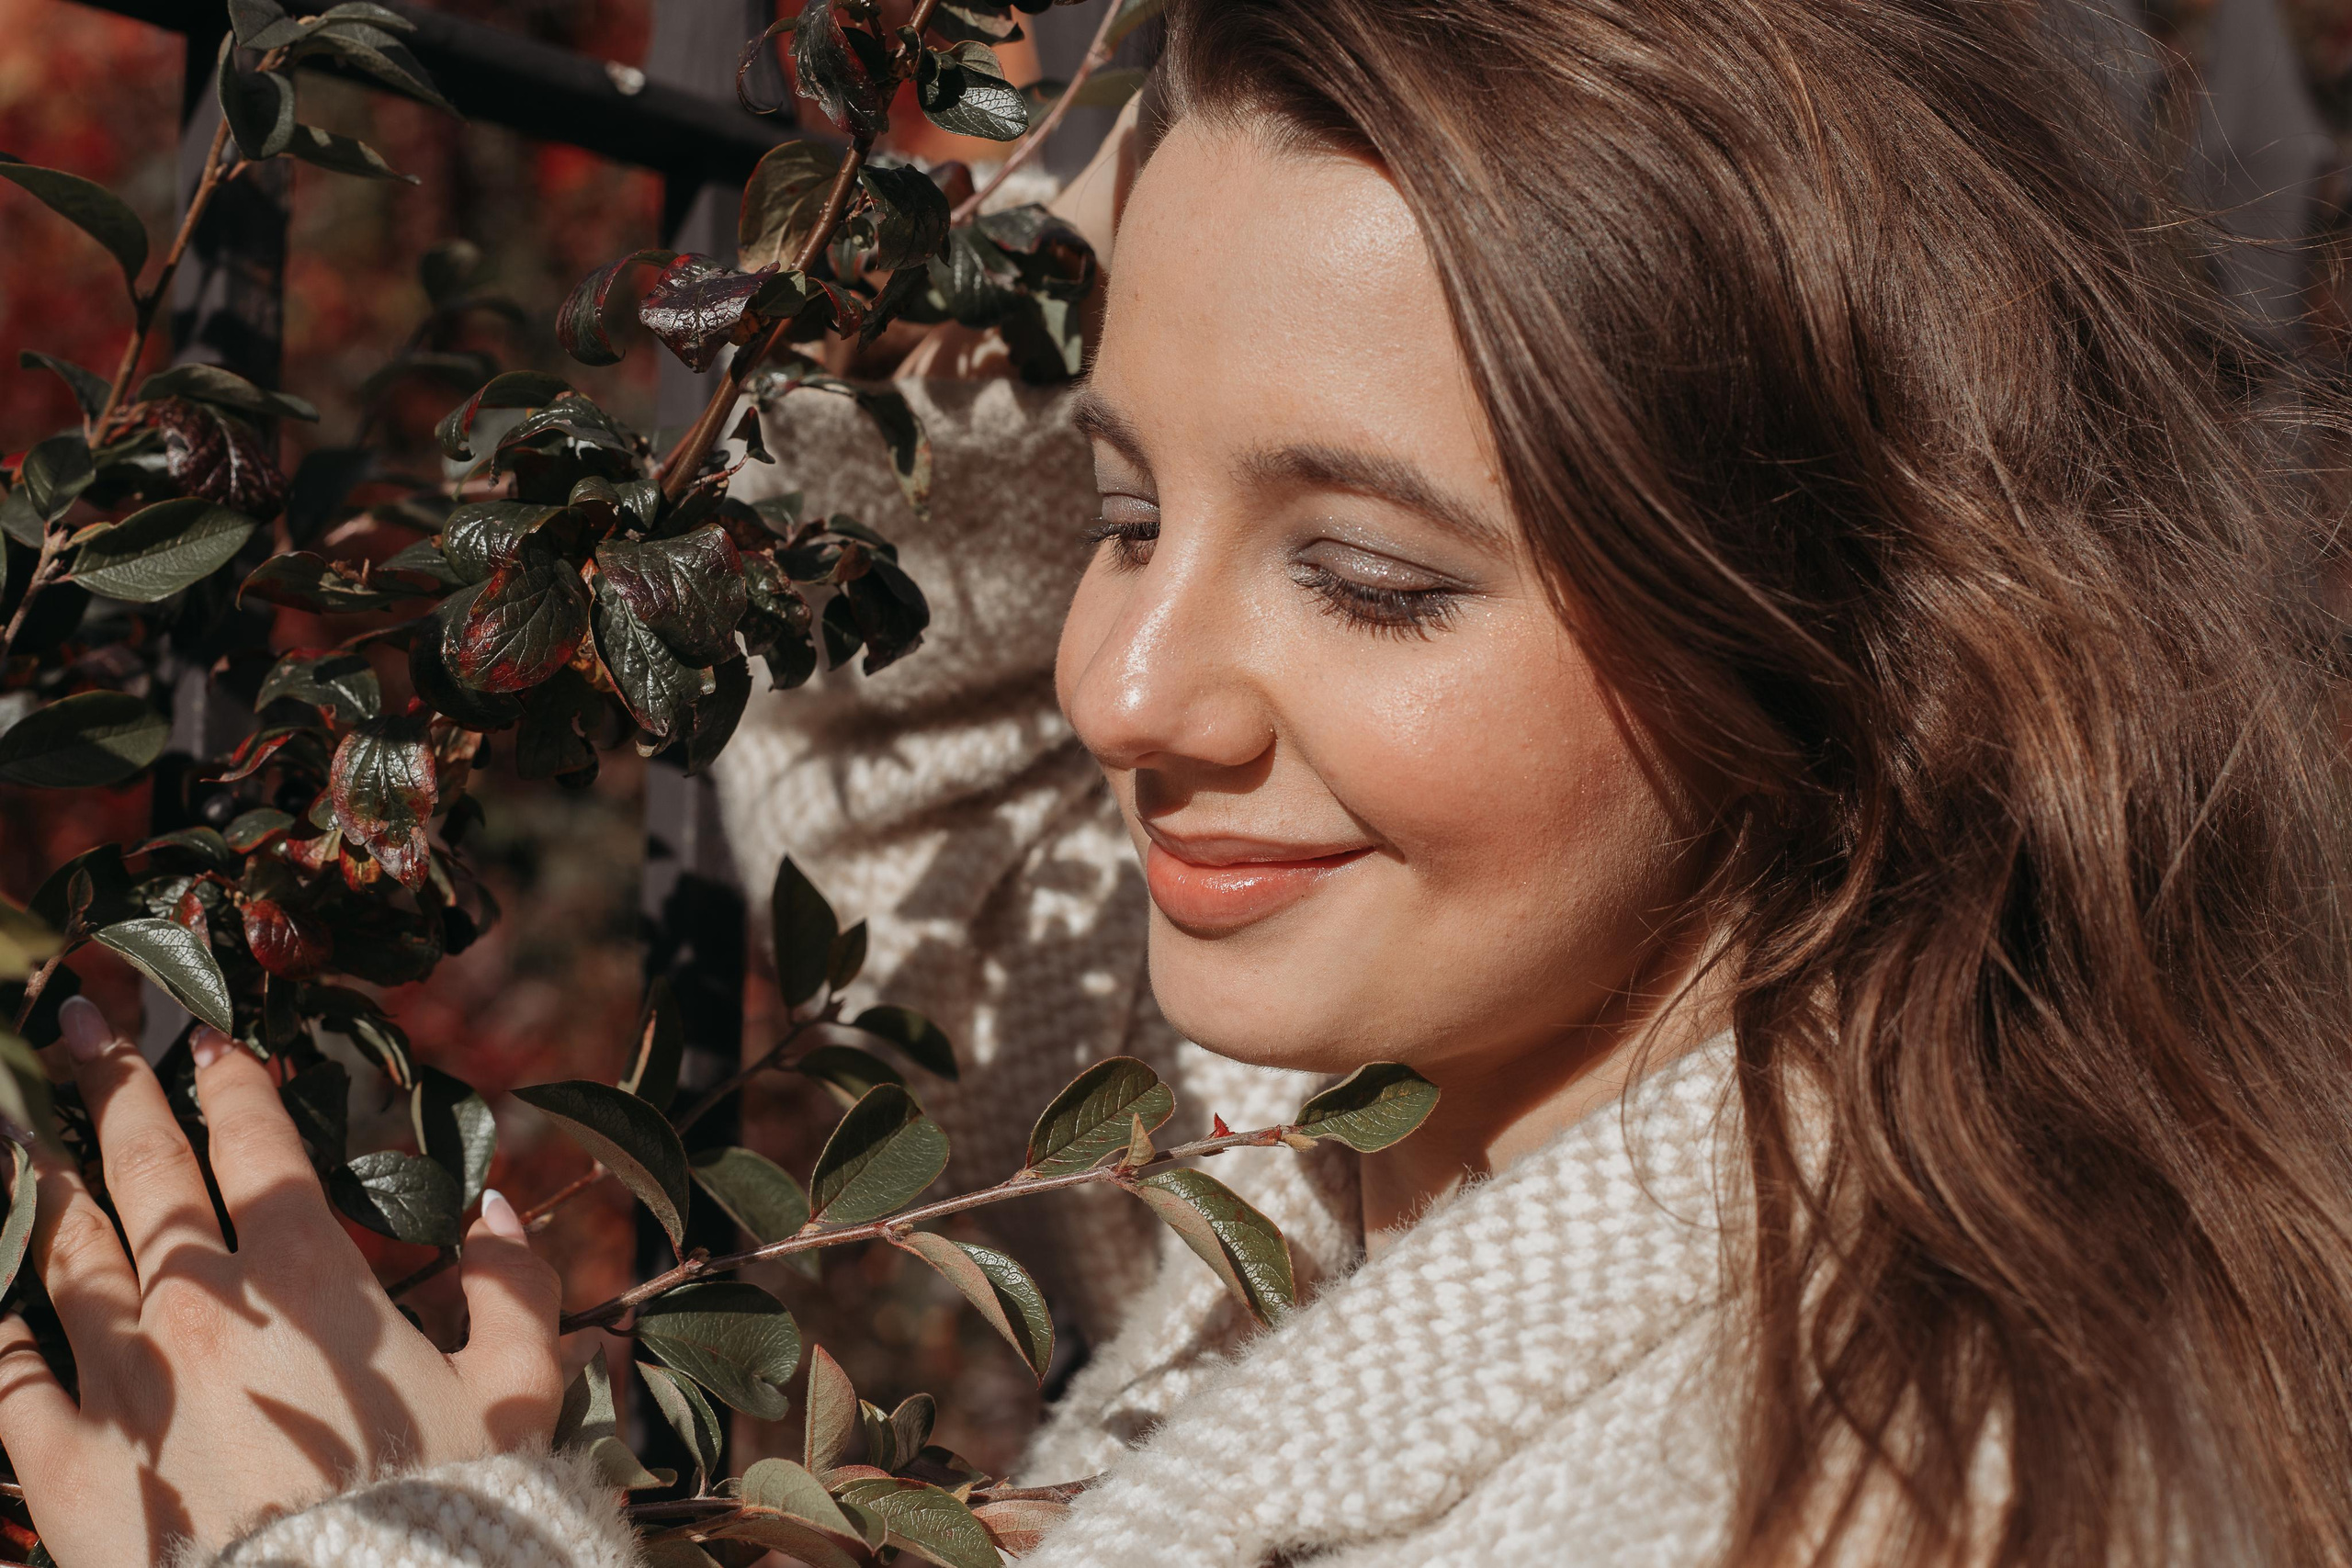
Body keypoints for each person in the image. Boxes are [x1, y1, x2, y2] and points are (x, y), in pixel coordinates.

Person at [10, 1, 2352, 1564]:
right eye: (1121, 509)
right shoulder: (1387, 1158)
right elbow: (911, 747)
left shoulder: (1918, 1478)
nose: (1120, 683)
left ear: (1864, 647)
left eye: (1370, 578)